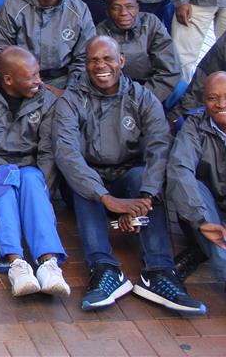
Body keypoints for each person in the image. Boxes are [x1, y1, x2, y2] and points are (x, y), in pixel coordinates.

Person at [53, 36, 206, 314]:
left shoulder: (142, 97)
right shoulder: (72, 100)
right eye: (93, 60)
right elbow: (67, 153)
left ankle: (159, 272)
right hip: (91, 180)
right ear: (85, 65)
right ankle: (103, 268)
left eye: (108, 59)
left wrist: (145, 198)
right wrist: (107, 198)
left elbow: (160, 145)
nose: (101, 65)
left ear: (121, 61)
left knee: (143, 177)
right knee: (82, 182)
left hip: (127, 176)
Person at [0, 46, 70, 298]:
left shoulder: (47, 100)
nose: (39, 81)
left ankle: (48, 264)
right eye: (31, 76)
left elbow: (48, 154)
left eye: (38, 73)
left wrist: (40, 193)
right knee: (1, 184)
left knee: (32, 178)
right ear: (8, 79)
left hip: (29, 171)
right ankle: (16, 263)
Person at [167, 72, 226, 327]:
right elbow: (179, 170)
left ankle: (199, 252)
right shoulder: (194, 126)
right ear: (203, 99)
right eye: (213, 98)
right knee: (191, 184)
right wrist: (202, 221)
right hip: (206, 216)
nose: (221, 104)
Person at [96, 0, 184, 108]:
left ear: (137, 8)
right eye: (116, 8)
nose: (124, 13)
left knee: (181, 88)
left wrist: (141, 100)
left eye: (129, 7)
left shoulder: (151, 23)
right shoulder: (100, 34)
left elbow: (170, 70)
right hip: (120, 89)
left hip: (154, 83)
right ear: (108, 11)